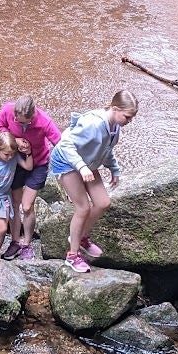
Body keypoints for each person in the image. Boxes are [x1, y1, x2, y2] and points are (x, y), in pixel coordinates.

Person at [49, 90, 138, 272]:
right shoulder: (93, 124)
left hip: (88, 162)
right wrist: (81, 167)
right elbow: (65, 143)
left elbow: (106, 150)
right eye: (127, 117)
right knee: (83, 208)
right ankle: (72, 256)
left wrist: (114, 169)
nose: (129, 121)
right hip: (67, 161)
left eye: (131, 118)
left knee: (103, 202)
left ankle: (82, 237)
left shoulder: (115, 128)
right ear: (115, 108)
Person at [0, 94, 63, 260]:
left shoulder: (44, 121)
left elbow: (60, 143)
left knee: (26, 206)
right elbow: (0, 126)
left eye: (27, 122)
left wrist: (67, 169)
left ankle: (27, 243)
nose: (23, 124)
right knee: (14, 203)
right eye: (19, 122)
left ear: (33, 114)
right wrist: (15, 139)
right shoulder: (7, 110)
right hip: (16, 161)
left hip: (38, 163)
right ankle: (15, 241)